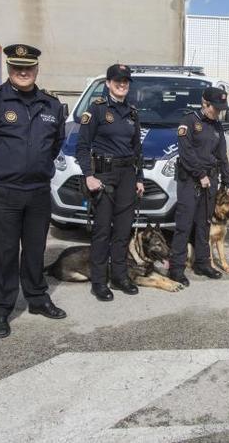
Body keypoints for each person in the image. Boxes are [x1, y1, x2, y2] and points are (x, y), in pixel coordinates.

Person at [0, 44, 68, 338]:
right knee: (5, 252)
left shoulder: (51, 105)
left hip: (37, 191)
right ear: (8, 68)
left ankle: (36, 298)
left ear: (36, 69)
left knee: (35, 250)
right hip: (3, 191)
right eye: (16, 66)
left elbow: (55, 143)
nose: (23, 72)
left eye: (28, 67)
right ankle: (3, 308)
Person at [75, 64, 144, 301]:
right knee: (103, 231)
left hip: (126, 176)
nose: (122, 84)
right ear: (108, 83)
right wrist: (88, 175)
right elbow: (82, 147)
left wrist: (139, 178)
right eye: (117, 80)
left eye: (125, 81)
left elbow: (137, 150)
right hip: (104, 175)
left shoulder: (132, 113)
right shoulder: (96, 110)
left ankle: (120, 276)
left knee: (123, 231)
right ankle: (99, 282)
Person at [168, 87, 229, 285]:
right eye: (216, 108)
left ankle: (203, 263)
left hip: (210, 181)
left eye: (221, 109)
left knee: (204, 223)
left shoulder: (217, 126)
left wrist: (228, 183)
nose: (218, 112)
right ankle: (177, 268)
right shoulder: (189, 121)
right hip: (190, 180)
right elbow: (186, 152)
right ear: (204, 104)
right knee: (184, 225)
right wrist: (200, 174)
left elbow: (222, 156)